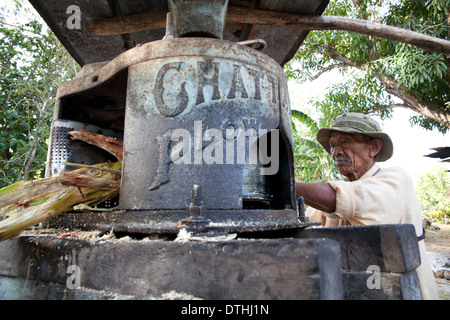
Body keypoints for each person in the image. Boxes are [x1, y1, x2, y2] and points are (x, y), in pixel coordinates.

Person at [295, 112, 439, 300]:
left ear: (374, 147)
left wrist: (287, 185)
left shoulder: (395, 179)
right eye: (332, 145)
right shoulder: (340, 192)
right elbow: (306, 217)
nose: (336, 152)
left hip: (405, 290)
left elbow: (347, 199)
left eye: (345, 142)